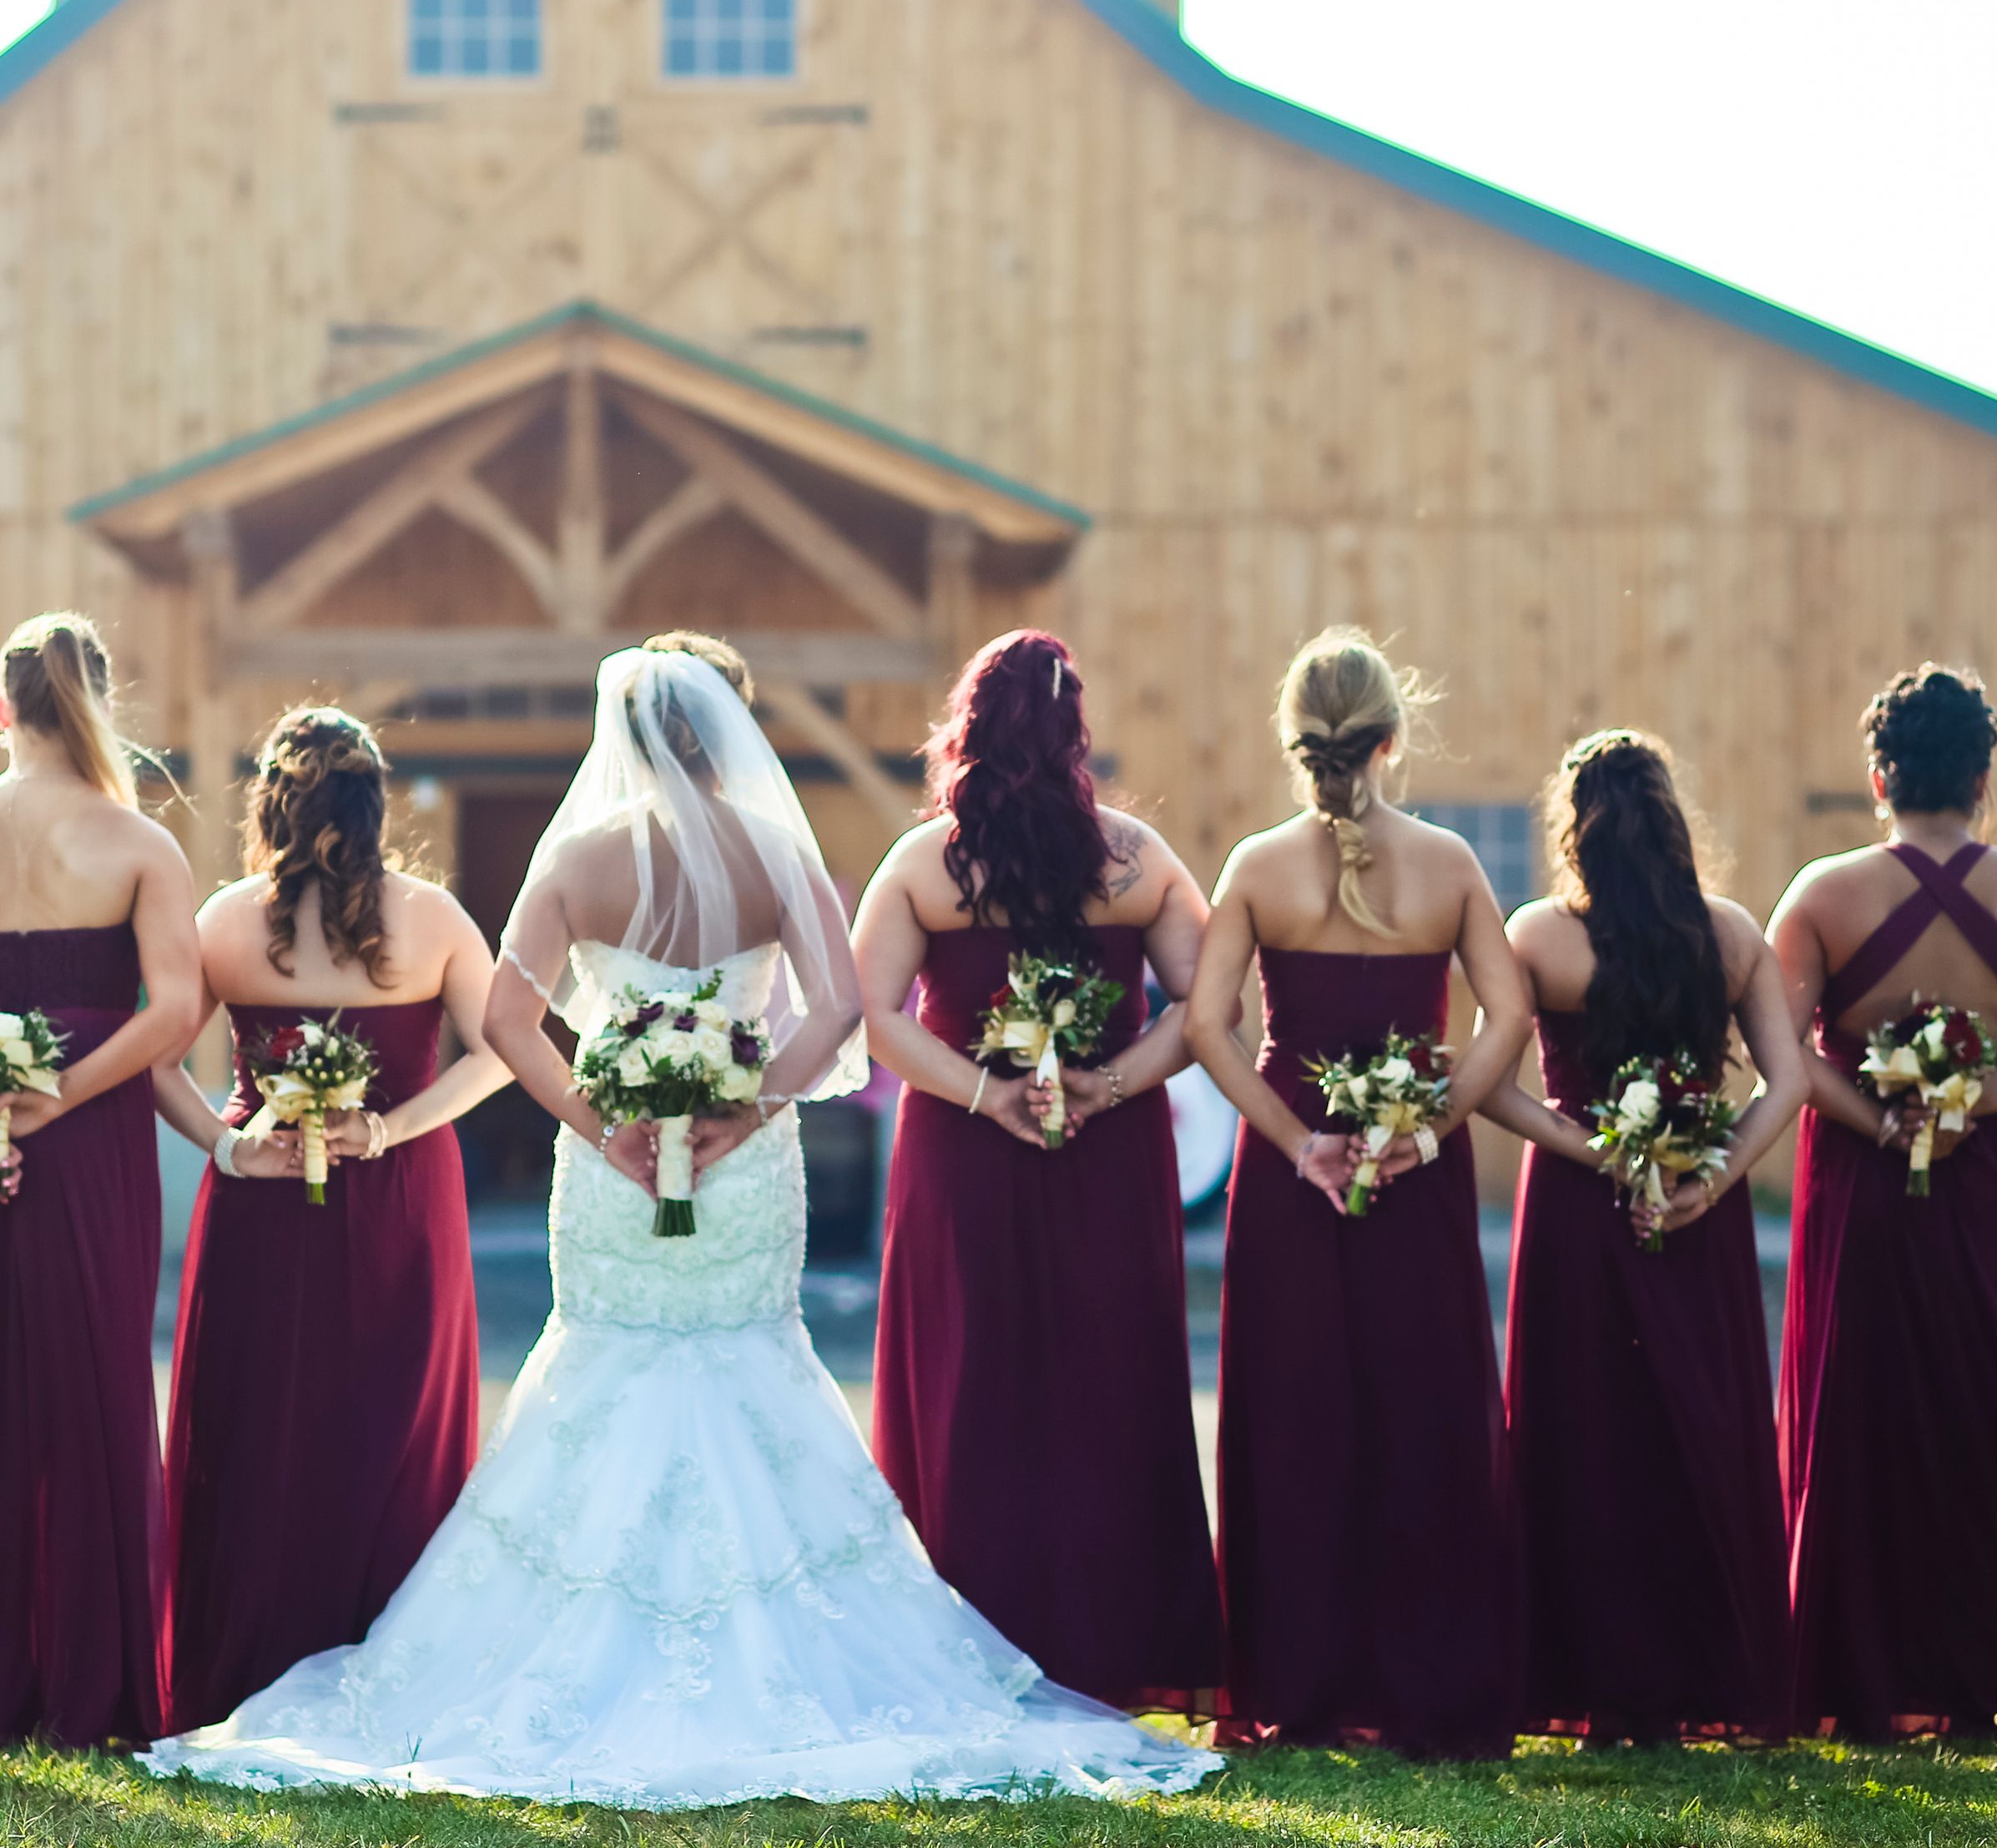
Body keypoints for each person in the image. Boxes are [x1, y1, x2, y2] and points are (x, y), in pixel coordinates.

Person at [139, 634, 1218, 1805]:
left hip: (614, 1166)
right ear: (732, 732)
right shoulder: (773, 854)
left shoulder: (585, 856)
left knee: (601, 1367)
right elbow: (839, 1011)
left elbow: (509, 1020)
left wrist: (598, 1122)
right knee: (753, 1363)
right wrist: (748, 1110)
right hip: (743, 1161)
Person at [852, 629, 1224, 1712]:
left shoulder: (924, 866)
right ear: (1074, 735)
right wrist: (1108, 1085)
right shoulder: (1136, 857)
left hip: (965, 1154)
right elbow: (1206, 1013)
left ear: (966, 733)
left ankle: (971, 1646)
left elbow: (874, 1017)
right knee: (1112, 1381)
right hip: (1102, 1154)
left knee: (971, 1383)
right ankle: (1127, 1646)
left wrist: (983, 1092)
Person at [1183, 627, 1531, 1757]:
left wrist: (1295, 1144)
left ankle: (1299, 1685)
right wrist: (1429, 1133)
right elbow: (1509, 1019)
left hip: (1294, 1186)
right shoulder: (1452, 866)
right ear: (1391, 740)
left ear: (1302, 745)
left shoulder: (1255, 868)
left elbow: (1206, 1026)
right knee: (1425, 1418)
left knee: (1293, 1419)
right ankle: (1432, 1691)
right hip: (1411, 1183)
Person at [1769, 666, 1997, 1740]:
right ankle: (1991, 1678)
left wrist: (1881, 1119)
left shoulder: (1823, 893)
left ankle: (1854, 1678)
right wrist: (1972, 1104)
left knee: (1858, 1409)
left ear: (1880, 777)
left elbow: (1776, 1053)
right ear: (1980, 777)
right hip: (1992, 1184)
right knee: (1991, 1409)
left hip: (1862, 1182)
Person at [150, 705, 509, 1733]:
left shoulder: (223, 919)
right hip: (400, 1198)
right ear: (373, 802)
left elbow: (155, 1058)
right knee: (387, 1425)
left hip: (260, 1198)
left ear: (270, 802)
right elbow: (496, 1057)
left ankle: (246, 1665)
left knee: (261, 1425)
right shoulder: (435, 917)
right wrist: (393, 1130)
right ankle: (392, 1670)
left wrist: (228, 1146)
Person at [0, 613, 203, 1749]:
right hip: (90, 1146)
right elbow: (173, 1009)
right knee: (96, 1392)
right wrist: (64, 1096)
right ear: (100, 705)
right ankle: (100, 1691)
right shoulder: (135, 844)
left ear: (0, 709)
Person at [1475, 730, 1804, 1742]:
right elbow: (1788, 1085)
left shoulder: (1536, 935)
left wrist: (1585, 1147)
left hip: (1580, 1214)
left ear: (1575, 830)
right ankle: (1709, 1680)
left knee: (1583, 1436)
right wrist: (1709, 1177)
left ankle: (1591, 1687)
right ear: (1670, 821)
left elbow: (1485, 1084)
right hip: (1695, 1215)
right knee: (1698, 1430)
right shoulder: (1733, 934)